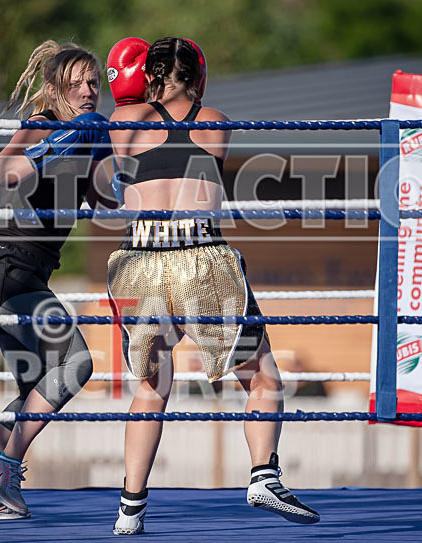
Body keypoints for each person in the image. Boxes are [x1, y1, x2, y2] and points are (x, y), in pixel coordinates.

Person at [106, 37, 320, 535]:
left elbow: (123, 151)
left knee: (150, 387)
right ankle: (264, 474)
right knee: (263, 378)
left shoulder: (126, 125)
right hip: (202, 259)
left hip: (138, 261)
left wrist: (135, 91)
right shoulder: (215, 121)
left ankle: (129, 510)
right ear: (199, 77)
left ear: (148, 76)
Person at [0, 39, 116, 521]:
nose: (90, 90)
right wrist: (63, 141)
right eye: (78, 83)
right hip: (5, 265)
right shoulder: (41, 125)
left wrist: (110, 151)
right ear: (54, 90)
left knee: (34, 390)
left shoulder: (89, 132)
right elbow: (2, 172)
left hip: (26, 272)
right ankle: (0, 469)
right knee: (76, 363)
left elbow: (108, 201)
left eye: (94, 81)